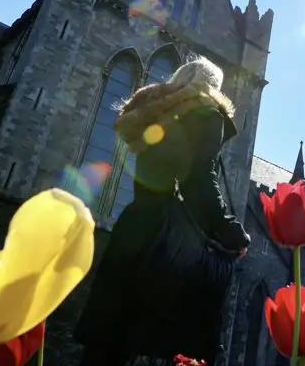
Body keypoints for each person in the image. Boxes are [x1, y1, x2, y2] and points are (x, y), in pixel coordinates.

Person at [75, 55, 250, 366]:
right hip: (165, 238)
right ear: (213, 88)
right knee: (175, 344)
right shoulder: (207, 113)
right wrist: (230, 231)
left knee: (109, 340)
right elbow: (199, 178)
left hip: (134, 223)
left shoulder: (155, 115)